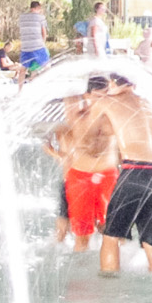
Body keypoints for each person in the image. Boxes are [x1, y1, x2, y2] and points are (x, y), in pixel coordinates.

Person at [91, 73, 152, 275]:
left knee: (111, 236)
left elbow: (91, 132)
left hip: (137, 171)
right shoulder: (145, 102)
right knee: (151, 240)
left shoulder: (108, 102)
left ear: (111, 83)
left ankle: (109, 287)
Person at [53, 74, 123, 251]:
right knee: (82, 237)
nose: (103, 100)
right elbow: (69, 93)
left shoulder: (115, 115)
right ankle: (80, 273)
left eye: (106, 95)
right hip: (80, 179)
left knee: (114, 232)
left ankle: (115, 270)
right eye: (98, 96)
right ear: (87, 95)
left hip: (108, 176)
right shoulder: (77, 116)